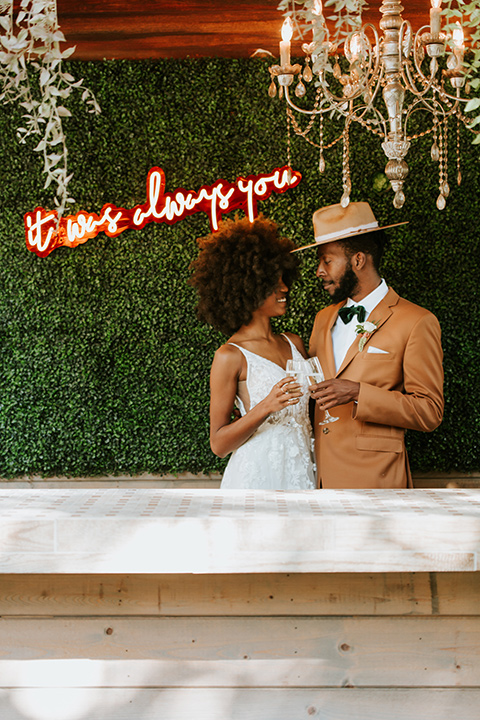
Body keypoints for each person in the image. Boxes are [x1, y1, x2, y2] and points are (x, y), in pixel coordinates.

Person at [296, 201, 444, 489]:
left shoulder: (417, 321)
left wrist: (357, 392)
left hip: (376, 479)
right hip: (315, 477)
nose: (319, 270)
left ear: (358, 260)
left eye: (327, 260)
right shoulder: (322, 319)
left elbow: (429, 411)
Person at [190, 215, 316, 490]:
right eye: (273, 283)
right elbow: (219, 444)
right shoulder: (230, 356)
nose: (284, 288)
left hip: (305, 470)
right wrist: (266, 406)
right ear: (247, 286)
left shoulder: (294, 343)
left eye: (284, 279)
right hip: (258, 476)